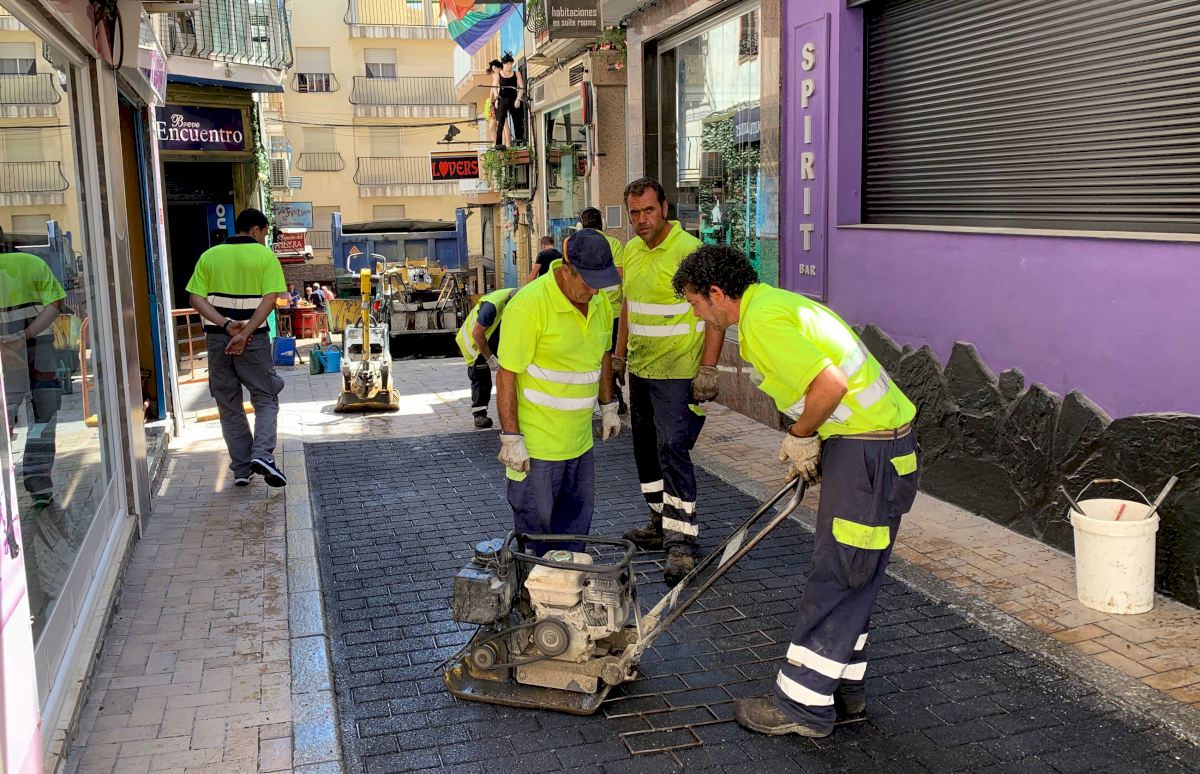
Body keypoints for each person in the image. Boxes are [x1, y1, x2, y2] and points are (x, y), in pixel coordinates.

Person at [672, 245, 918, 739]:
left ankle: (803, 704)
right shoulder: (777, 303)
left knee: (838, 574)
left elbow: (830, 385)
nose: (698, 315)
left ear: (717, 293)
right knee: (856, 573)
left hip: (867, 456)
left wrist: (802, 435)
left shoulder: (763, 321)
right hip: (878, 451)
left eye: (696, 304)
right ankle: (841, 688)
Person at [614, 177, 723, 585]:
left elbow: (714, 313)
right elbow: (628, 305)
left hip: (677, 374)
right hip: (641, 370)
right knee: (645, 451)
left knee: (673, 450)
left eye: (648, 210)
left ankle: (681, 543)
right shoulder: (631, 250)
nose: (642, 220)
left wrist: (709, 368)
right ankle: (659, 522)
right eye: (635, 213)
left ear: (664, 208)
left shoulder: (689, 251)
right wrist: (619, 354)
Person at [496, 229, 620, 556]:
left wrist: (608, 405)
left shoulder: (599, 303)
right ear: (567, 270)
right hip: (537, 448)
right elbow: (507, 373)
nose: (595, 291)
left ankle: (568, 585)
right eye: (588, 283)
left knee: (575, 534)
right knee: (536, 537)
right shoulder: (529, 305)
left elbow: (604, 354)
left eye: (600, 283)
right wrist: (511, 438)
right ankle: (533, 587)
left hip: (580, 443)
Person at [187, 208, 288, 488]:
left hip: (218, 339)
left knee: (229, 404)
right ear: (255, 230)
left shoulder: (209, 256)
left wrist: (226, 324)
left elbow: (195, 299)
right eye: (265, 234)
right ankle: (262, 455)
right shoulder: (265, 257)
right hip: (253, 341)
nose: (265, 240)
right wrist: (245, 333)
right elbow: (270, 300)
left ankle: (242, 469)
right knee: (266, 397)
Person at [0, 228, 65, 508]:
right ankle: (39, 487)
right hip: (38, 349)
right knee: (43, 417)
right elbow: (55, 305)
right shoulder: (33, 263)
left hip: (3, 355)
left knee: (5, 414)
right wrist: (24, 335)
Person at [572, 208, 626, 415]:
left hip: (588, 312)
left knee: (592, 357)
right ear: (602, 223)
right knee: (608, 356)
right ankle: (613, 397)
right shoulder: (614, 244)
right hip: (613, 311)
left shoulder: (577, 243)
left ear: (581, 225)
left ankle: (601, 397)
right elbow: (620, 275)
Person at [456, 287, 517, 429]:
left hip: (492, 337)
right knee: (481, 376)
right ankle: (479, 415)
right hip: (473, 343)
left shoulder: (516, 300)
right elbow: (477, 334)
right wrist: (489, 358)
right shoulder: (491, 306)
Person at [491, 52, 525, 149]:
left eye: (511, 63)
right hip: (503, 99)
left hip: (514, 98)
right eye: (508, 64)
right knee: (501, 121)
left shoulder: (516, 73)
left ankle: (519, 143)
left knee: (517, 120)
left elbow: (521, 87)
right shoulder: (498, 75)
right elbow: (494, 87)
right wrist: (496, 98)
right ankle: (498, 144)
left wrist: (518, 99)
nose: (510, 66)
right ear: (504, 64)